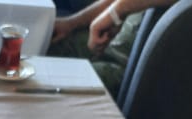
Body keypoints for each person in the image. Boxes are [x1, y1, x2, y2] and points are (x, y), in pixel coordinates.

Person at [48, 0, 177, 97]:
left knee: (54, 82)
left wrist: (116, 11)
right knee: (44, 45)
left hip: (132, 70)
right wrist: (72, 23)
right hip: (108, 42)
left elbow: (120, 6)